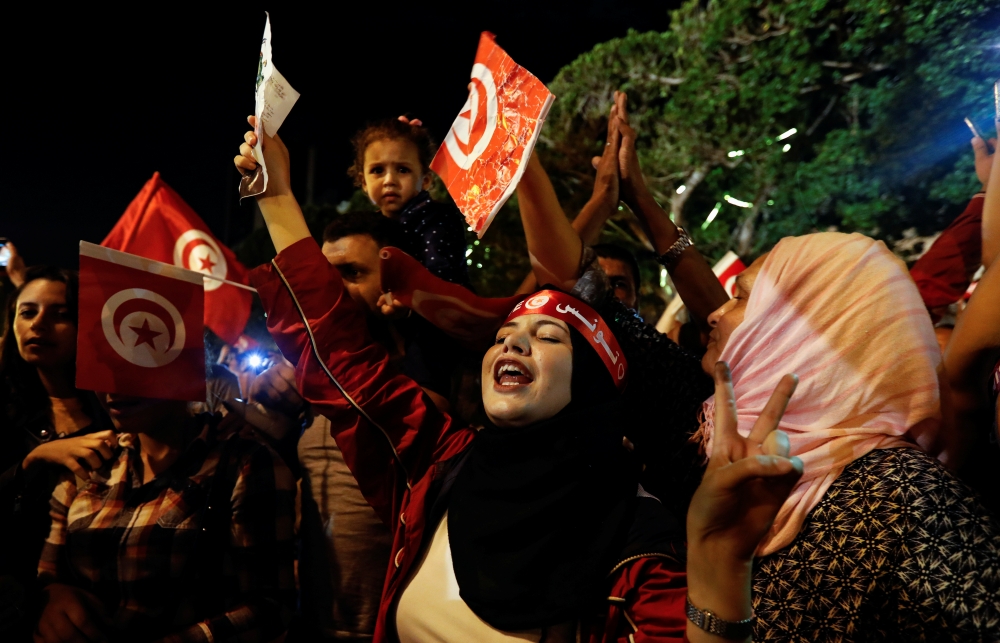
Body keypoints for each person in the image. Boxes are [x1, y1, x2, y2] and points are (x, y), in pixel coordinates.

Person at [234, 116, 813, 642]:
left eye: (550, 336)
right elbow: (340, 355)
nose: (513, 340)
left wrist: (720, 566)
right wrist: (278, 197)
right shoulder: (435, 465)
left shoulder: (639, 545)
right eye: (508, 334)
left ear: (591, 383)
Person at [698, 231, 1000, 641]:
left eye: (741, 296)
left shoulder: (902, 493)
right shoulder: (728, 464)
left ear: (800, 331)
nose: (715, 312)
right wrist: (714, 565)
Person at [34, 389, 296, 643]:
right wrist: (49, 598)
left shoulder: (242, 463)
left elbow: (271, 607)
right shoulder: (88, 466)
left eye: (137, 363)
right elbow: (46, 576)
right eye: (105, 367)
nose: (114, 388)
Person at [0, 266, 114, 639]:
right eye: (27, 312)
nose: (40, 324)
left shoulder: (120, 415)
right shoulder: (5, 412)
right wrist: (32, 461)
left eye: (61, 314)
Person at [346, 116, 470, 286]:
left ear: (425, 180)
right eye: (378, 170)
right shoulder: (370, 227)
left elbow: (440, 279)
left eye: (403, 170)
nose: (389, 180)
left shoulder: (437, 220)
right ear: (363, 182)